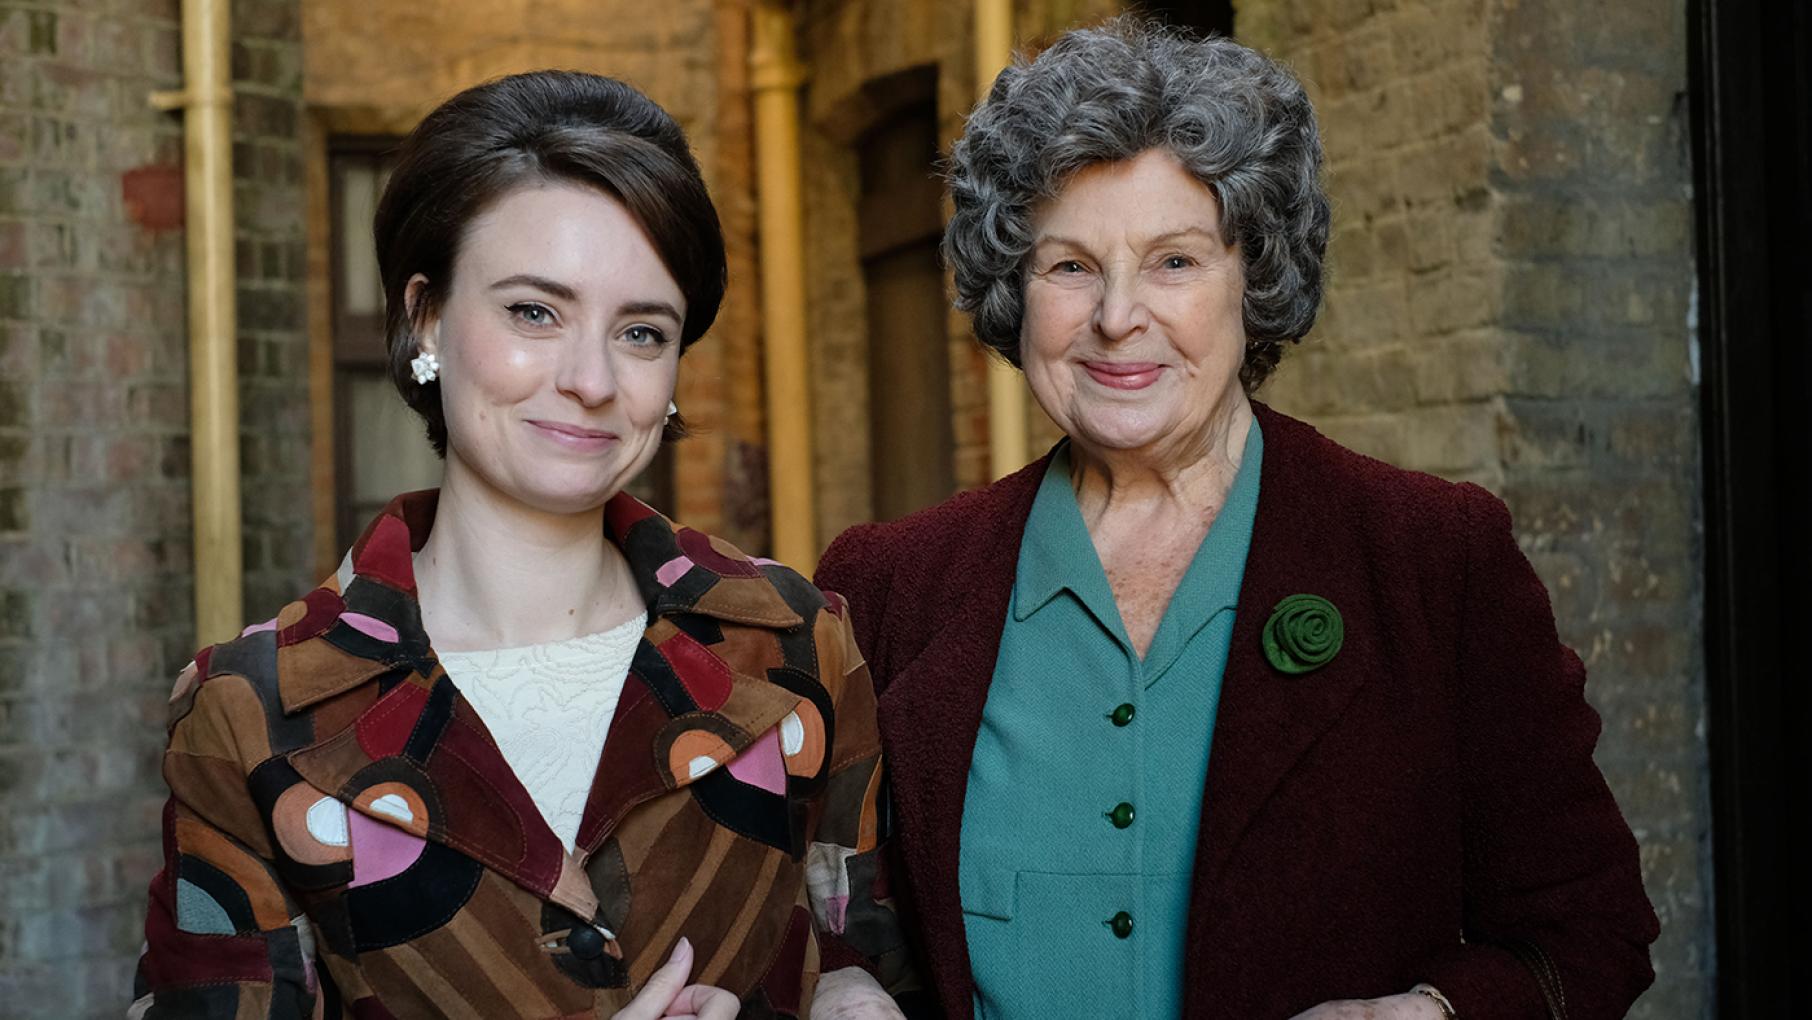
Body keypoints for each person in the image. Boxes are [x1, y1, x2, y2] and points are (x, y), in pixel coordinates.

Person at [814, 19, 1659, 1020]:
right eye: (1069, 266)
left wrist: (1433, 1012)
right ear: (1015, 288)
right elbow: (811, 906)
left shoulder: (1434, 560)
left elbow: (1590, 934)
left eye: (1174, 262)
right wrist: (832, 980)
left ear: (1252, 280)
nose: (1118, 315)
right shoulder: (886, 586)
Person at [132, 71, 907, 1019]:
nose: (589, 378)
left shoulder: (796, 643)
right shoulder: (249, 713)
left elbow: (860, 953)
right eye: (534, 311)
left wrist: (854, 995)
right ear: (425, 317)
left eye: (641, 330)